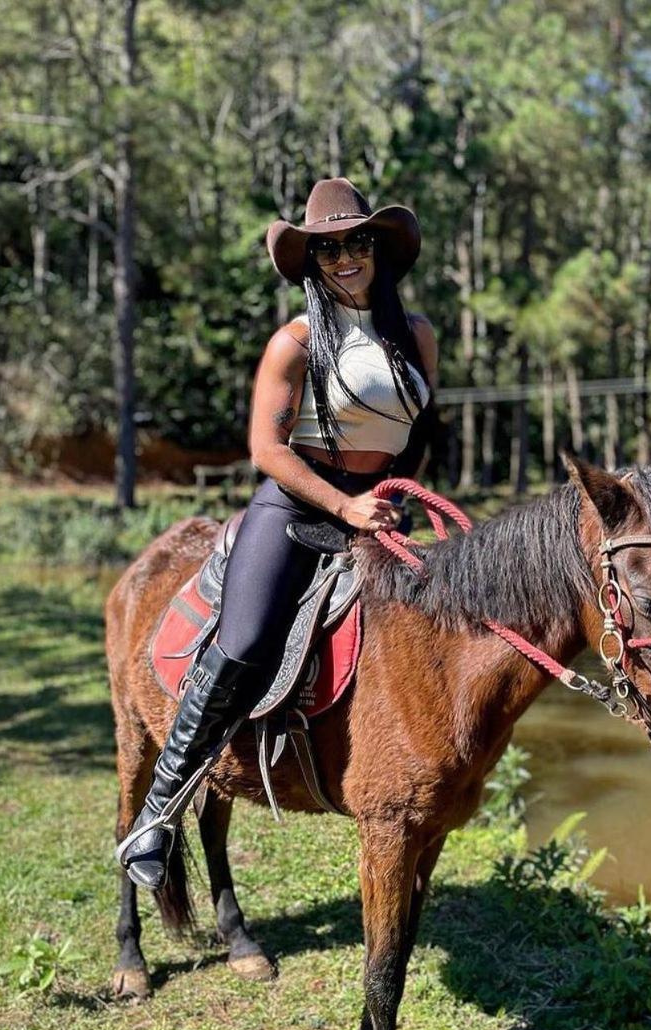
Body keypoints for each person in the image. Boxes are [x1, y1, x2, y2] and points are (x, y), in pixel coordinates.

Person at [117, 177, 438, 889]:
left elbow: (417, 432)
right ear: (312, 262)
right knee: (247, 639)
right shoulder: (294, 342)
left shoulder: (416, 335)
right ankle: (160, 809)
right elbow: (268, 450)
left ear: (379, 248)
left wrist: (394, 496)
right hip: (295, 506)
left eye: (357, 242)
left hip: (379, 504)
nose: (344, 257)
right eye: (327, 249)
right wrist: (344, 506)